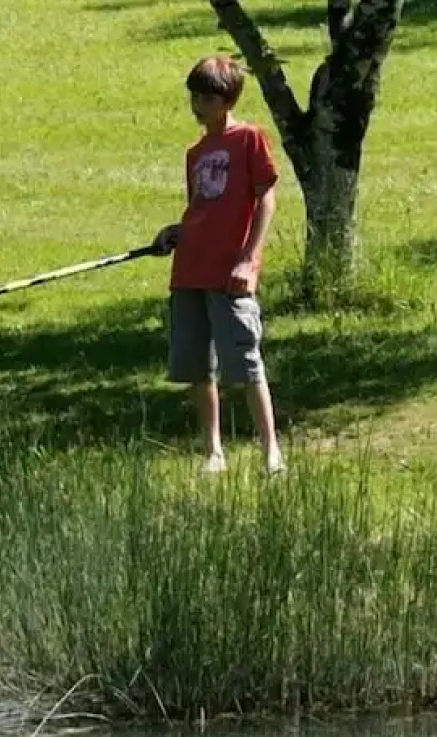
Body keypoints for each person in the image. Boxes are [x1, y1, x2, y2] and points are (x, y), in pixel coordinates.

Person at [153, 56, 285, 476]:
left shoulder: (249, 139)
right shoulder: (195, 153)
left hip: (230, 275)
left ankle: (271, 451)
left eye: (207, 98)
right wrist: (175, 231)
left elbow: (265, 198)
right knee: (197, 367)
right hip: (189, 271)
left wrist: (249, 259)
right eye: (194, 97)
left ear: (227, 100)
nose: (198, 105)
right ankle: (213, 451)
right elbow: (202, 209)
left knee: (245, 363)